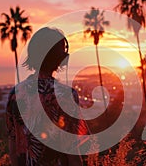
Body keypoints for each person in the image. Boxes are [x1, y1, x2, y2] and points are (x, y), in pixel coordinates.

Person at [6, 27, 88, 165]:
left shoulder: (16, 94)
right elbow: (72, 150)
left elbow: (13, 149)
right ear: (58, 57)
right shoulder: (66, 95)